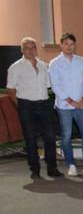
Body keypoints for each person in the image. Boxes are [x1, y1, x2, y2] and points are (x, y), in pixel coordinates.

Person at [6, 36, 60, 179]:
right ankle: (34, 169)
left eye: (33, 47)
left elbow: (50, 84)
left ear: (36, 49)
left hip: (44, 104)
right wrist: (21, 105)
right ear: (22, 50)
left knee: (50, 137)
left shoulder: (44, 65)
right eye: (27, 48)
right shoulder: (15, 67)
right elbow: (11, 90)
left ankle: (52, 168)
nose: (30, 50)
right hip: (26, 106)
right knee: (30, 139)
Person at [49, 33, 83, 177]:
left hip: (82, 105)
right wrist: (72, 101)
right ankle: (71, 165)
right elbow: (56, 86)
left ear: (74, 45)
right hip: (64, 106)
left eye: (72, 44)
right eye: (66, 44)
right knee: (66, 136)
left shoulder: (81, 61)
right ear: (61, 45)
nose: (69, 47)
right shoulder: (55, 63)